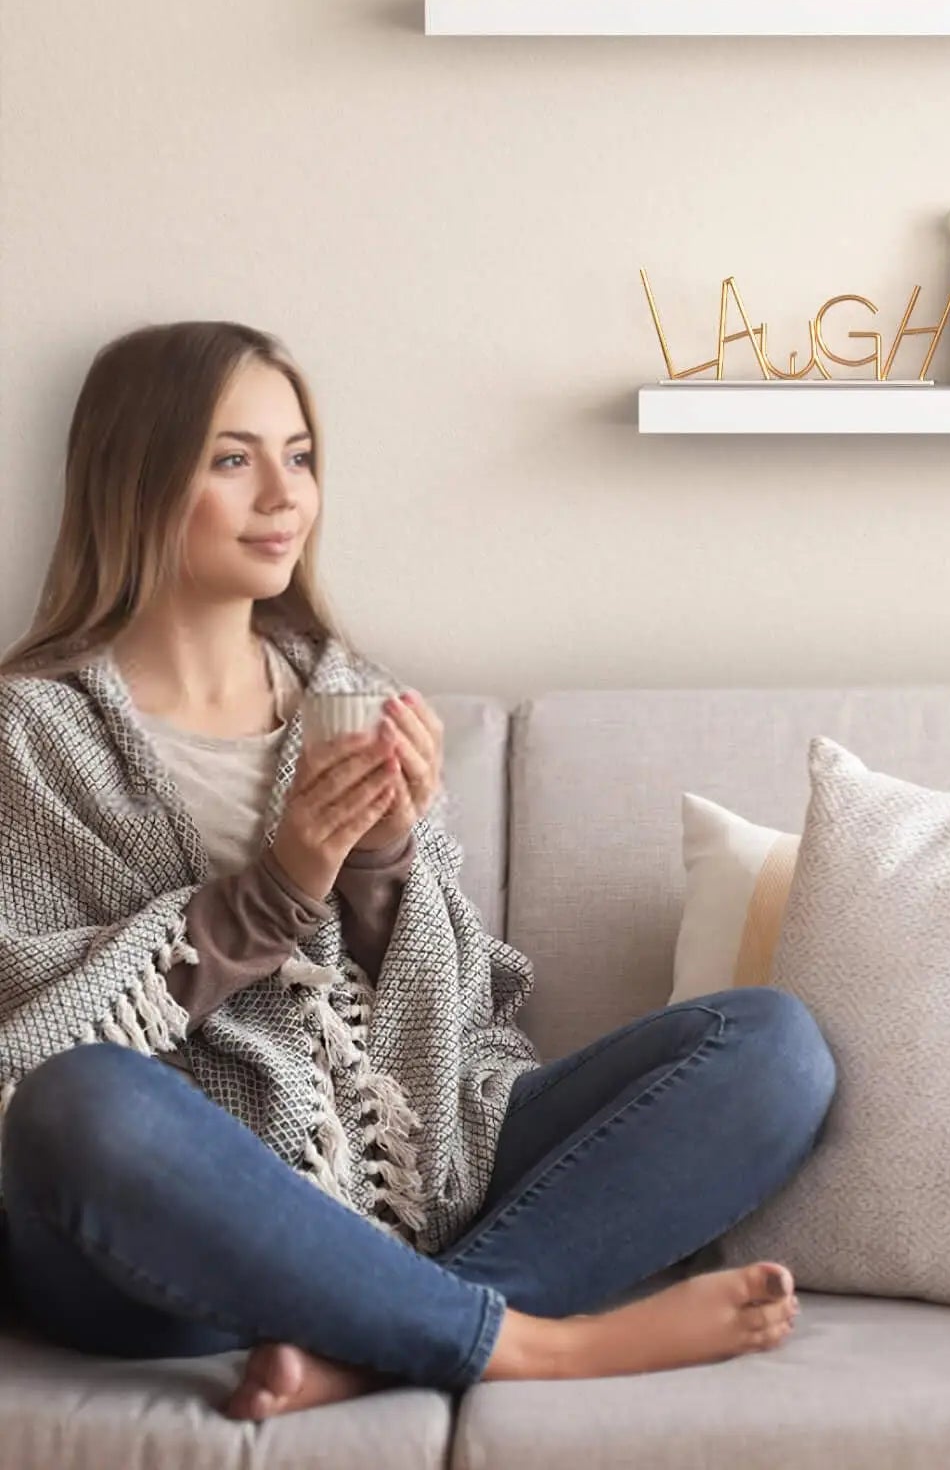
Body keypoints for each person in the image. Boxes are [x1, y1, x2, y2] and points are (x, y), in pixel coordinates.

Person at [0, 321, 837, 1421]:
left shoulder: (355, 693)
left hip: (406, 1176)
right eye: (232, 457)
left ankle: (386, 1338)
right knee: (78, 1105)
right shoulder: (30, 734)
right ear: (135, 476)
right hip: (174, 1240)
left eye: (299, 455)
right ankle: (538, 1344)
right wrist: (280, 887)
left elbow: (450, 1024)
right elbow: (33, 1033)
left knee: (771, 1046)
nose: (283, 495)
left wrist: (389, 859)